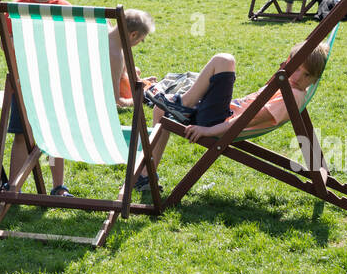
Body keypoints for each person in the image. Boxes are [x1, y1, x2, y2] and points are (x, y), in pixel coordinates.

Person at [141, 39, 329, 187]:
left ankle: (184, 104)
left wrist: (209, 131)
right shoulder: (289, 88)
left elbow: (246, 121)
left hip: (217, 122)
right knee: (160, 109)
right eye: (295, 69)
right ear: (288, 63)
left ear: (315, 79)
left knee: (224, 60)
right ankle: (145, 177)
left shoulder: (291, 96)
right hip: (218, 116)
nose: (297, 77)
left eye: (306, 75)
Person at [5, 0, 72, 195]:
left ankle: (58, 185)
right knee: (22, 136)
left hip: (54, 83)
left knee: (55, 139)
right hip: (24, 84)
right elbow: (10, 51)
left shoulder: (66, 9)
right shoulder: (13, 9)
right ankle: (14, 187)